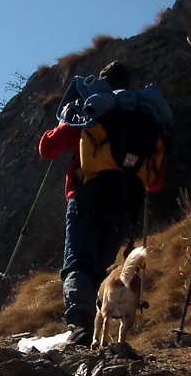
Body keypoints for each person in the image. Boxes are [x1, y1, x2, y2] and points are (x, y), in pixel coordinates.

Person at [38, 61, 165, 345]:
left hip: (87, 196)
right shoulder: (145, 120)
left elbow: (46, 148)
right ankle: (97, 333)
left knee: (77, 266)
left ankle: (80, 326)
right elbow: (155, 181)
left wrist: (68, 116)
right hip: (124, 205)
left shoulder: (91, 110)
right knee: (101, 267)